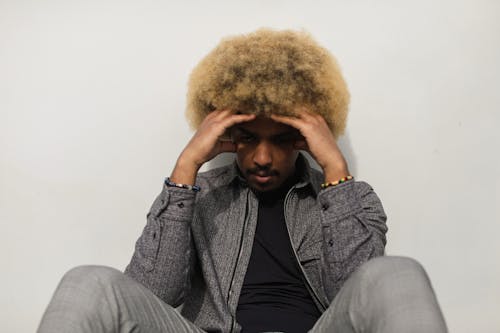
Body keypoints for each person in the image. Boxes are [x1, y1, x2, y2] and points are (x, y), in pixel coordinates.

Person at [38, 28, 448, 333]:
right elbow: (153, 296)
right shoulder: (201, 197)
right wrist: (187, 169)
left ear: (304, 140)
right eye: (248, 139)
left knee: (399, 274)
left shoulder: (349, 198)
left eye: (282, 140)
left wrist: (336, 172)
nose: (263, 157)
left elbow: (357, 294)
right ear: (228, 137)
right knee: (87, 282)